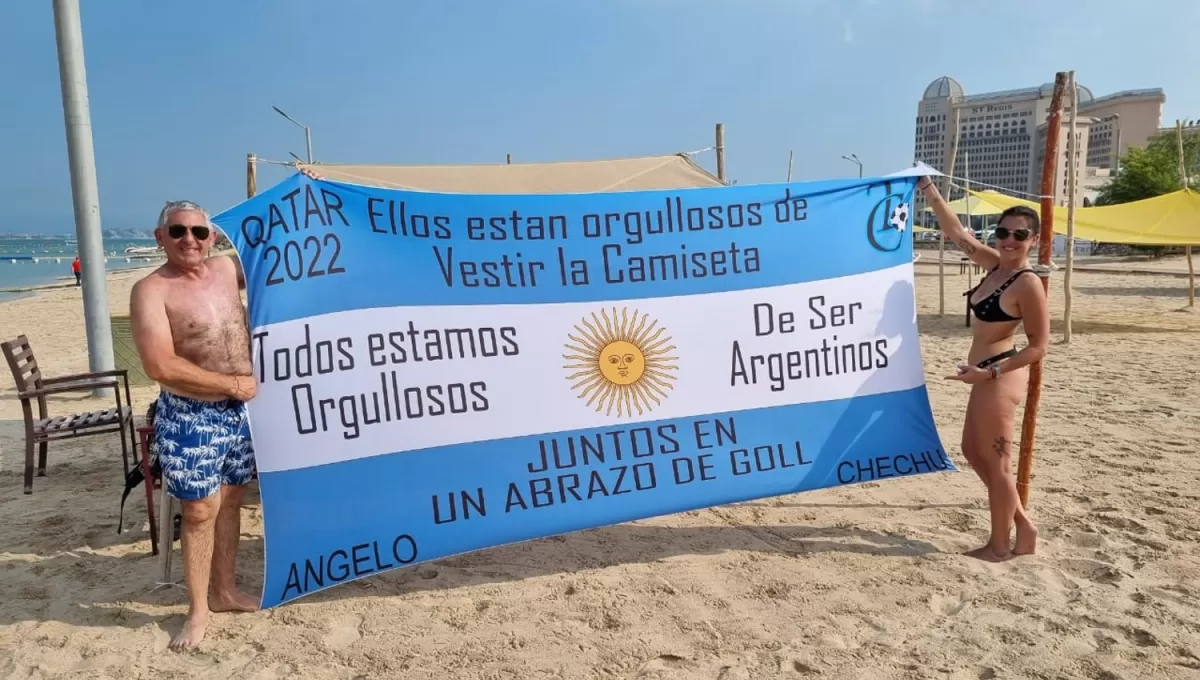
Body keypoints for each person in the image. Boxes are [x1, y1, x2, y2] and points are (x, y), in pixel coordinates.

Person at [130, 200, 258, 650]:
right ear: (159, 235)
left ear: (213, 238)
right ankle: (198, 609)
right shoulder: (151, 290)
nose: (190, 240)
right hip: (191, 413)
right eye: (179, 231)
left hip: (239, 412)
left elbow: (282, 260)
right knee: (200, 511)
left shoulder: (227, 270)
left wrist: (311, 200)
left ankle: (224, 592)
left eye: (200, 233)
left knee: (231, 500)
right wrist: (231, 383)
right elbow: (158, 364)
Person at [917, 177, 1049, 562]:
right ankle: (1023, 525)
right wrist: (928, 188)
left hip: (1000, 373)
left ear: (1034, 240)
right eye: (1002, 232)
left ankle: (999, 545)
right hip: (983, 371)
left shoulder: (1028, 284)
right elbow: (956, 232)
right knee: (972, 450)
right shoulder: (994, 266)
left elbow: (1040, 346)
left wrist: (990, 373)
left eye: (1019, 235)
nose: (1008, 240)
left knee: (997, 461)